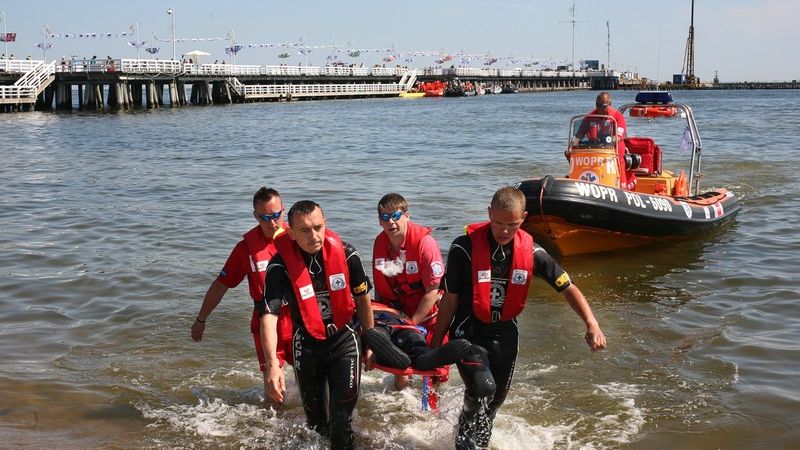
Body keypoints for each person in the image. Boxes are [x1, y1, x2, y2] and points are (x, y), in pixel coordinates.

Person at [431, 186, 607, 450]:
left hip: (504, 336)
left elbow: (567, 287)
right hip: (468, 332)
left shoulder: (533, 253)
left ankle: (478, 444)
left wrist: (592, 324)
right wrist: (436, 345)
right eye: (498, 223)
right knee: (483, 386)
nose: (504, 231)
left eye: (511, 225)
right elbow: (450, 299)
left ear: (523, 218)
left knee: (494, 402)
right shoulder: (463, 248)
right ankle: (463, 441)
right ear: (489, 214)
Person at [259, 200, 374, 450]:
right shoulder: (279, 266)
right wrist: (272, 365)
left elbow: (363, 298)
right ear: (291, 232)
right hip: (307, 347)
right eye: (304, 230)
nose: (314, 236)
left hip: (344, 342)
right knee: (316, 425)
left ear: (325, 224)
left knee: (341, 421)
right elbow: (269, 316)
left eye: (318, 227)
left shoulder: (347, 254)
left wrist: (371, 341)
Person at [190, 187, 292, 371]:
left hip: (297, 319)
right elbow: (221, 285)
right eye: (265, 217)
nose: (273, 222)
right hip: (265, 320)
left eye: (277, 215)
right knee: (272, 380)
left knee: (310, 380)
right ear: (256, 216)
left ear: (284, 210)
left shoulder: (298, 239)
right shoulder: (245, 249)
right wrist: (201, 319)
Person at [371, 193, 445, 389]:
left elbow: (433, 291)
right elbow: (380, 291)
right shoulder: (379, 243)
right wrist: (381, 324)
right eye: (385, 217)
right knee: (400, 370)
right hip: (398, 313)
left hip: (428, 313)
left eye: (396, 215)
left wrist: (412, 324)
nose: (391, 222)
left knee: (435, 373)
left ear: (406, 216)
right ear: (380, 221)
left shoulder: (425, 244)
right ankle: (400, 401)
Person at [363, 302, 471, 373]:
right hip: (403, 322)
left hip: (381, 323)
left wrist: (369, 347)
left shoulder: (360, 304)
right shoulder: (374, 301)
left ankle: (392, 358)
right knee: (413, 339)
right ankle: (421, 356)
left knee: (379, 335)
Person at [572, 91, 637, 190]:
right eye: (597, 105)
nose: (599, 108)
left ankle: (622, 188)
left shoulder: (617, 116)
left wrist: (610, 140)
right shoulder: (590, 117)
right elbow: (580, 133)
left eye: (602, 106)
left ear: (609, 105)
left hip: (613, 152)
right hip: (595, 152)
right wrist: (573, 144)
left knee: (620, 166)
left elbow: (619, 135)